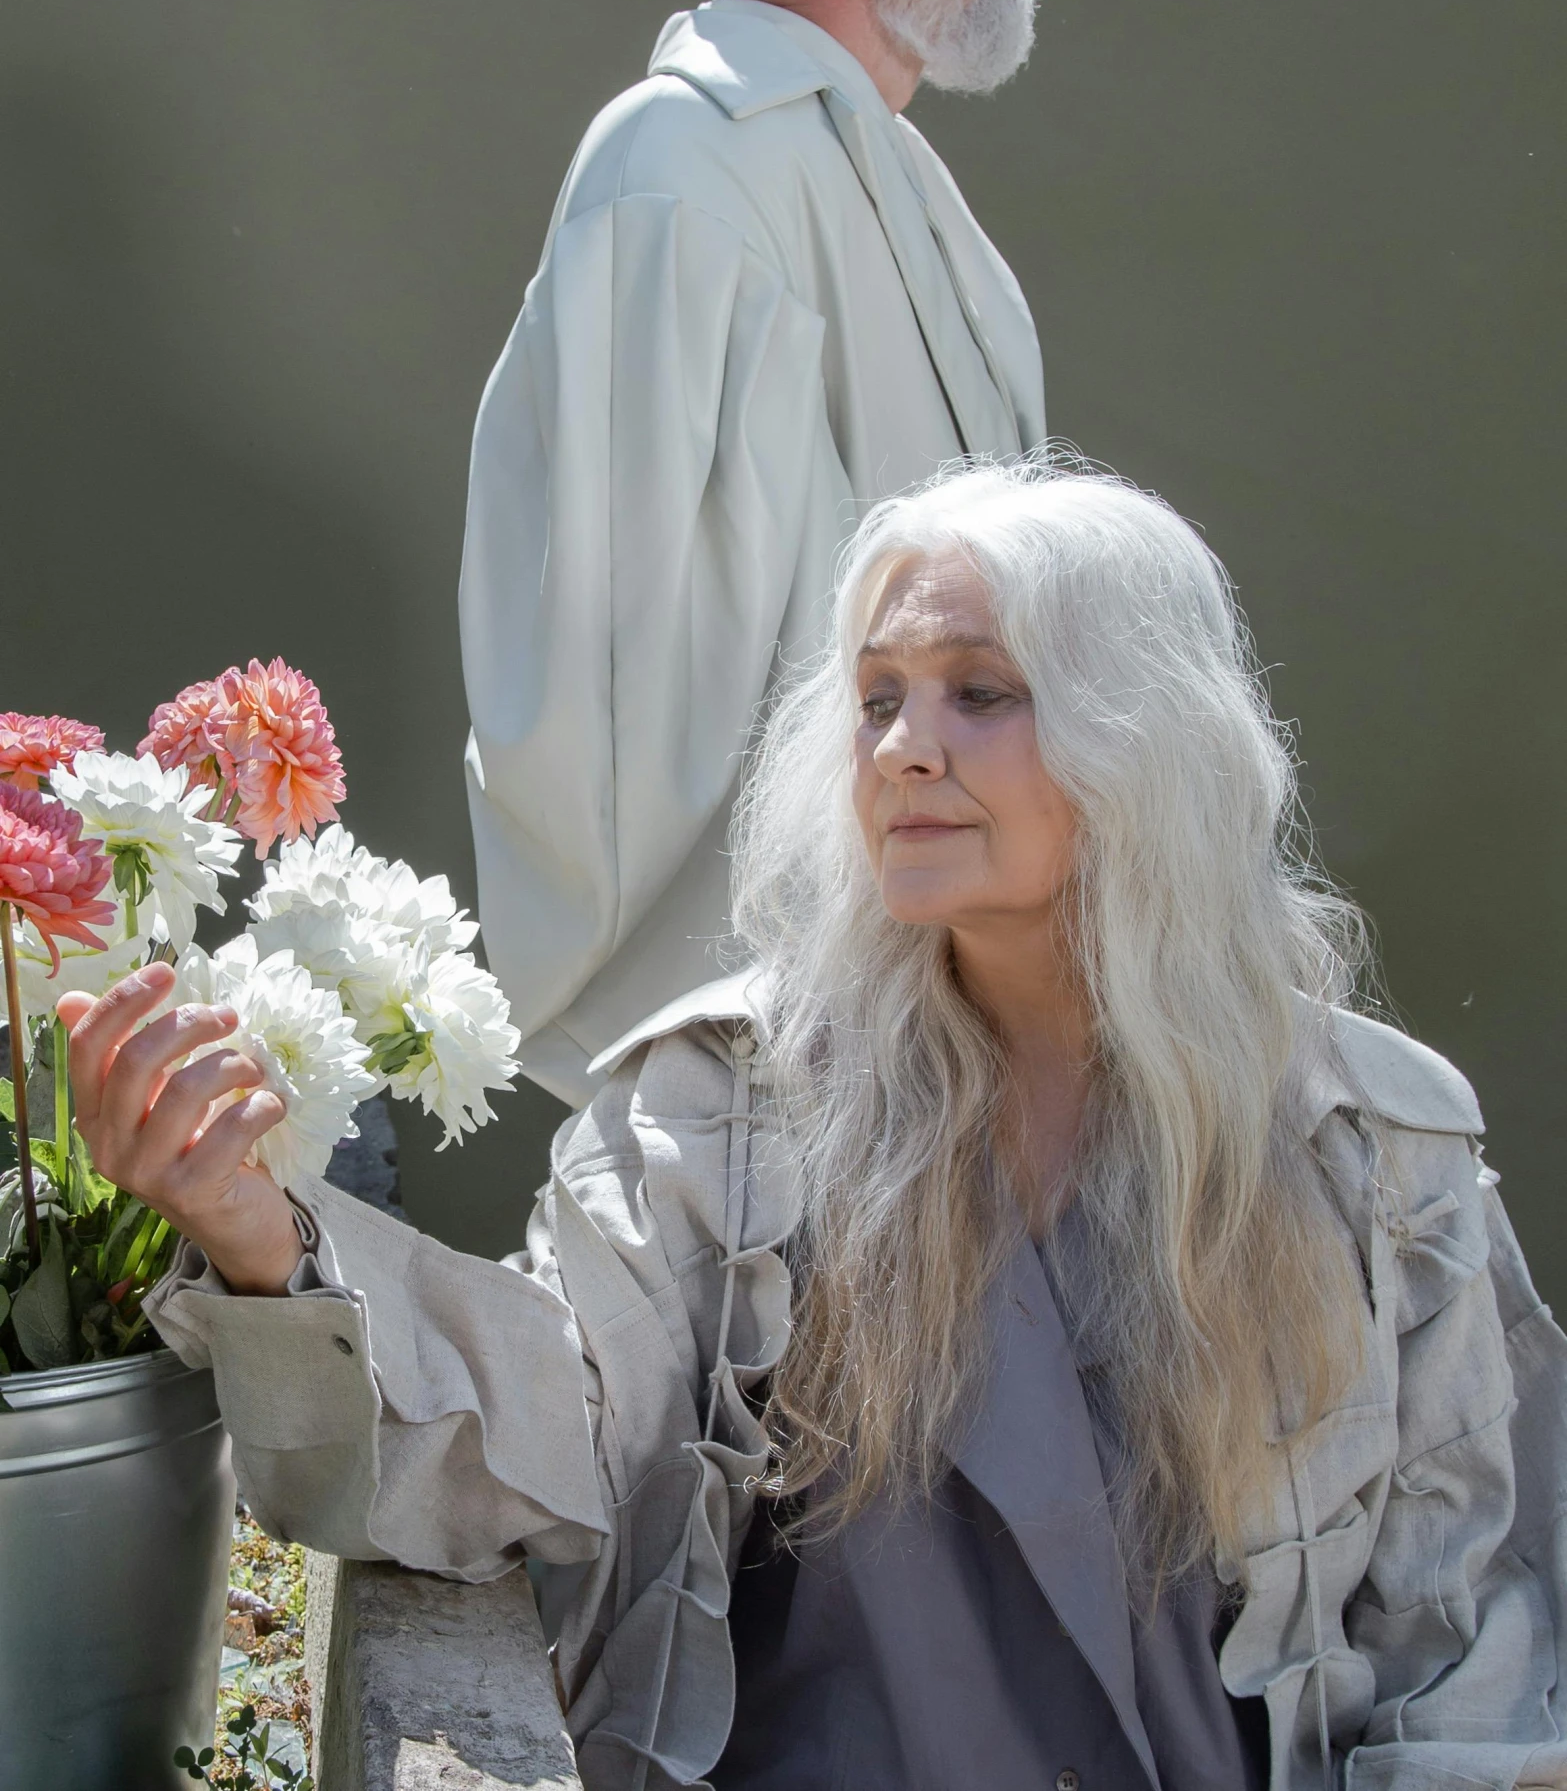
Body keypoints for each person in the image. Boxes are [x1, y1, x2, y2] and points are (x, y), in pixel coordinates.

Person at [70, 460, 1567, 1790]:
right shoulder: (727, 1100)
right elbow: (566, 1411)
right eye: (876, 697)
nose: (906, 746)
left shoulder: (1369, 1152)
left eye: (980, 690)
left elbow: (1468, 1623)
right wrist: (265, 1236)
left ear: (1143, 732)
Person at [461, 0, 1046, 1104]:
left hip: (940, 1040)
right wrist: (753, 1074)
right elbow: (628, 692)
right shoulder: (678, 172)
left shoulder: (871, 162)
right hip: (798, 1085)